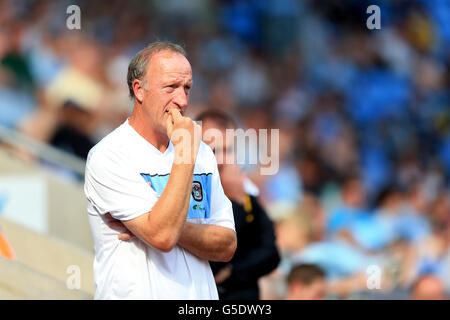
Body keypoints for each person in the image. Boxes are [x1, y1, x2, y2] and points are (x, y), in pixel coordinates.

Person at [84, 41, 237, 299]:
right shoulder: (109, 155)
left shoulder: (201, 152)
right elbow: (163, 236)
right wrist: (185, 156)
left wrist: (157, 225)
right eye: (171, 87)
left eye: (187, 88)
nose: (182, 100)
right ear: (139, 89)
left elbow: (227, 245)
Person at [196, 109, 280, 300]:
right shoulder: (189, 190)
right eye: (214, 150)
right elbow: (211, 253)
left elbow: (271, 254)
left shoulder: (244, 191)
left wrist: (234, 270)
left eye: (229, 150)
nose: (222, 160)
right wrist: (236, 203)